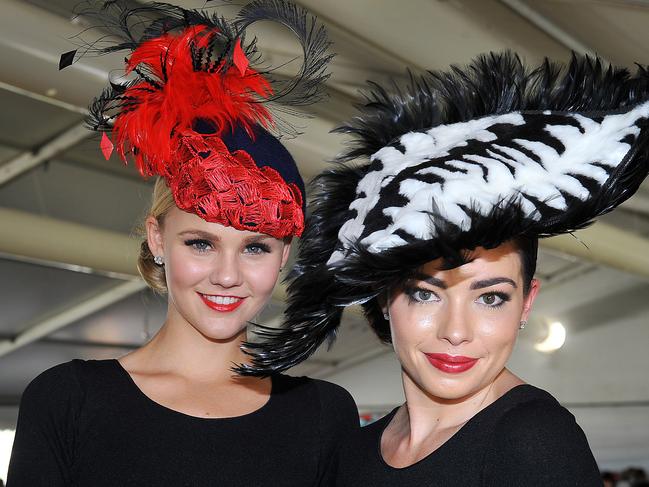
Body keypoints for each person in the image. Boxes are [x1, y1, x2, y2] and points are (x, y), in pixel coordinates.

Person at [241, 52, 649, 485]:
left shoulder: (533, 441)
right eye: (426, 293)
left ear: (527, 303)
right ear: (381, 295)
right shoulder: (354, 449)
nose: (456, 331)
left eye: (491, 298)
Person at [7, 1, 358, 486]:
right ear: (157, 239)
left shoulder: (323, 414)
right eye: (201, 243)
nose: (228, 275)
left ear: (282, 257)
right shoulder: (69, 400)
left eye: (255, 247)